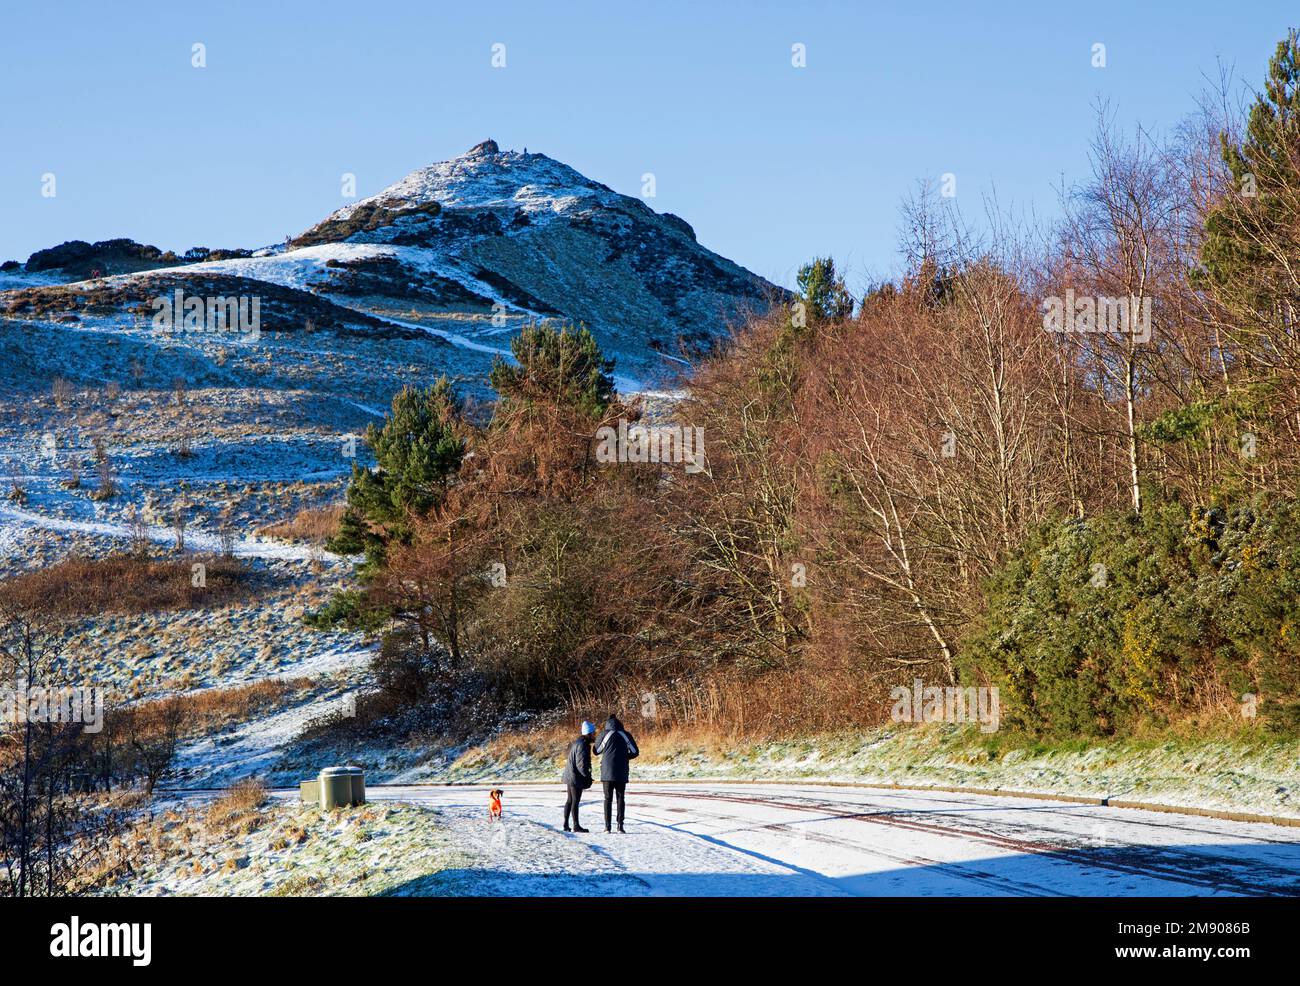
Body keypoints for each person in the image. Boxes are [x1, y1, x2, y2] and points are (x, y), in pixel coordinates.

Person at [594, 714, 639, 833]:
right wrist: (624, 757)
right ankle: (620, 826)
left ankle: (607, 827)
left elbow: (596, 751)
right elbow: (635, 752)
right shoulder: (625, 734)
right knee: (620, 798)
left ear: (607, 723)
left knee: (607, 799)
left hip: (607, 772)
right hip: (621, 771)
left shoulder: (604, 734)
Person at [561, 720, 596, 833]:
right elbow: (581, 764)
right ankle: (576, 826)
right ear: (589, 733)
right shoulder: (583, 745)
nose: (594, 735)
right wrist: (587, 777)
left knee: (570, 800)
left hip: (570, 775)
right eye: (593, 733)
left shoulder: (577, 742)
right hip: (575, 777)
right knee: (575, 801)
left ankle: (566, 824)